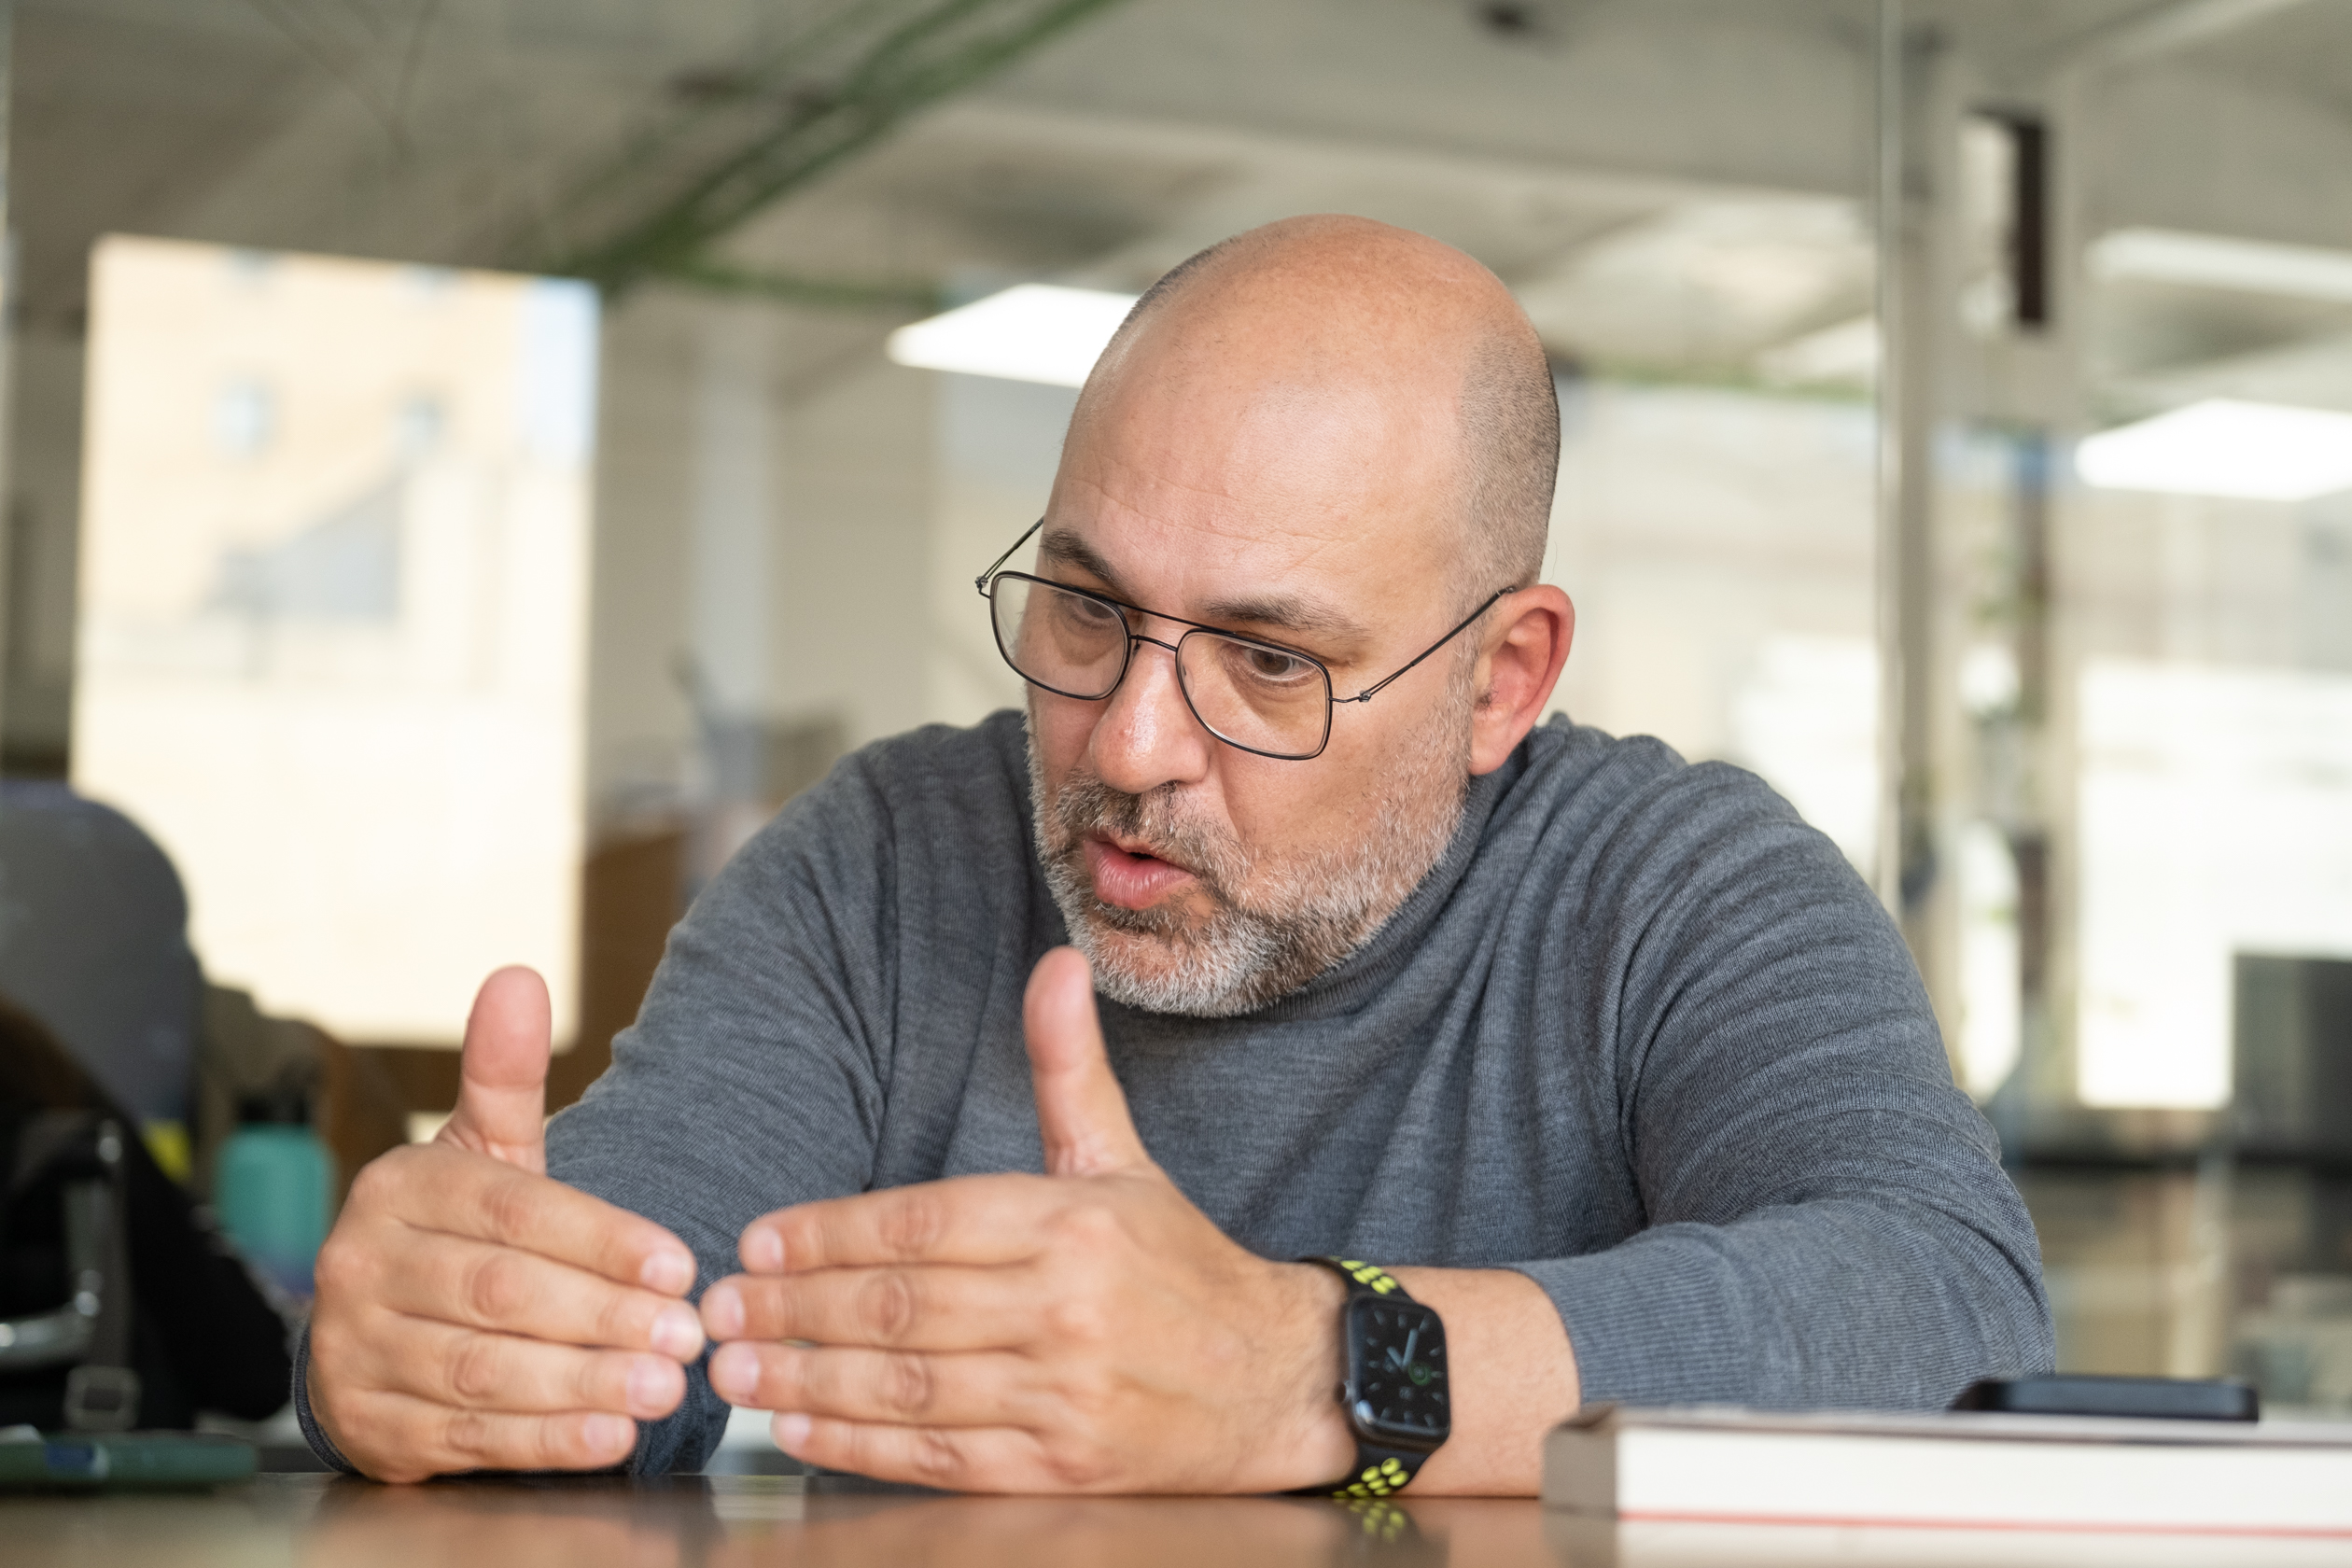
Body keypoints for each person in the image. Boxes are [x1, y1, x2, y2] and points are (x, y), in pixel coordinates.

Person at [299, 215, 2053, 1492]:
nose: (1130, 747)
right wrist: (438, 1335)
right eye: (1084, 606)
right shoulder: (890, 867)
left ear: (1501, 680)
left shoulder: (1678, 889)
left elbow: (1949, 1312)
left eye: (1268, 659)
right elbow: (608, 1308)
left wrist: (1312, 1371)